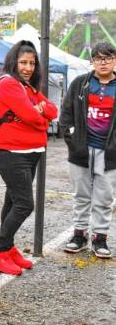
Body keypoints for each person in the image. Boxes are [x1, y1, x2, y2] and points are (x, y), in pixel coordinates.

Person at [0, 40, 57, 275]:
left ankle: (8, 247)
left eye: (32, 63)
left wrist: (40, 113)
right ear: (13, 61)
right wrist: (39, 114)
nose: (28, 67)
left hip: (30, 153)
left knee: (13, 201)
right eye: (23, 62)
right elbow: (33, 118)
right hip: (12, 153)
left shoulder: (29, 88)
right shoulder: (9, 85)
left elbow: (52, 111)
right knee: (25, 204)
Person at [60, 42, 116, 258]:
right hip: (81, 152)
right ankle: (79, 235)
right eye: (98, 58)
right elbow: (65, 114)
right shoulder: (80, 84)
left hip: (108, 154)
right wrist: (73, 142)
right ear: (92, 61)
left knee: (104, 198)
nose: (103, 62)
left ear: (114, 60)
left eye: (108, 58)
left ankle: (100, 238)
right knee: (81, 196)